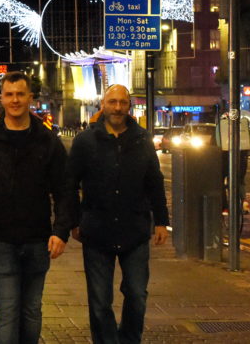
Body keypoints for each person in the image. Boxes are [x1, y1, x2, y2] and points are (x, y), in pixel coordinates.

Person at [0, 71, 76, 344]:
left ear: (29, 98)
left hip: (37, 238)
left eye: (20, 94)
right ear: (1, 98)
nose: (14, 100)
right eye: (9, 94)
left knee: (32, 310)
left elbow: (64, 189)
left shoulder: (47, 140)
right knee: (9, 310)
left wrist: (61, 231)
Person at [67, 84, 169, 344]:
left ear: (129, 105)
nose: (117, 107)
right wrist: (73, 220)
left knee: (136, 294)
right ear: (103, 104)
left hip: (134, 228)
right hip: (96, 230)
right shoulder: (85, 141)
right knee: (100, 300)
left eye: (122, 102)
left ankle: (129, 339)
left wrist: (161, 222)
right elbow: (69, 183)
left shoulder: (142, 139)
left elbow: (154, 182)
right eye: (112, 102)